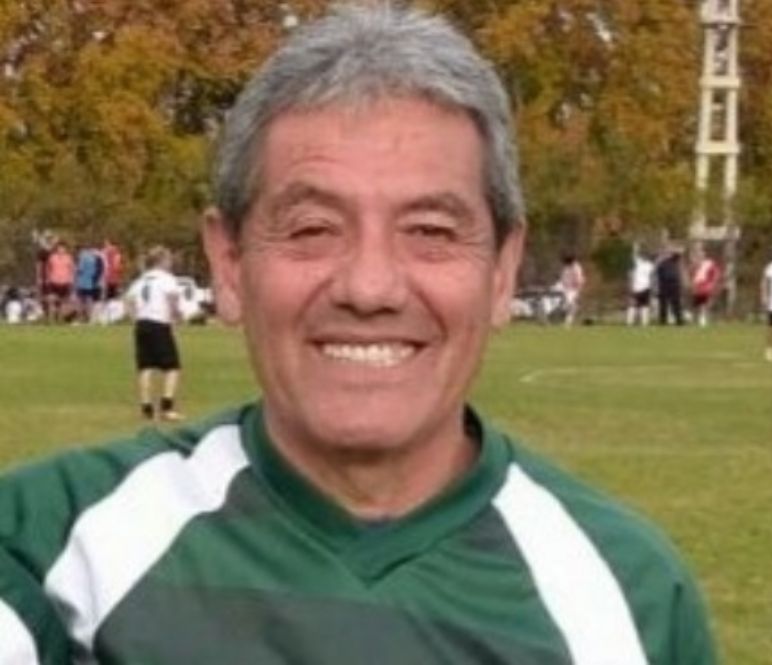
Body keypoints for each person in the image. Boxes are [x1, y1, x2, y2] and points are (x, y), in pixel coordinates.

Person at [0, 6, 717, 664]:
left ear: (501, 270)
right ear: (229, 263)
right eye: (313, 229)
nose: (370, 288)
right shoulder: (46, 548)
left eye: (431, 231)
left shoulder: (629, 598)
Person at [124, 245, 185, 421]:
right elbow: (172, 298)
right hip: (159, 323)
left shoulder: (141, 280)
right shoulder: (166, 279)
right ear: (162, 261)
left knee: (145, 366)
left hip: (142, 324)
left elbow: (128, 300)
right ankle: (167, 407)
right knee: (172, 367)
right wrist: (176, 315)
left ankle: (146, 408)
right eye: (169, 259)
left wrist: (135, 317)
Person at [43, 240, 75, 324]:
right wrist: (47, 278)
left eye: (63, 248)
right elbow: (47, 268)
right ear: (57, 249)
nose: (61, 250)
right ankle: (50, 320)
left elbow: (72, 269)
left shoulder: (68, 258)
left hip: (65, 282)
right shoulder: (52, 257)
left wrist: (71, 279)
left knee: (62, 302)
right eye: (59, 248)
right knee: (51, 300)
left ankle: (59, 319)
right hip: (53, 281)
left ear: (65, 249)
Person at [690, 245, 721, 328]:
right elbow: (692, 274)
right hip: (697, 287)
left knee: (704, 304)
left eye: (701, 253)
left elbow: (716, 273)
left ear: (704, 254)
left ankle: (703, 320)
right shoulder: (694, 263)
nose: (699, 255)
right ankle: (697, 320)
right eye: (698, 253)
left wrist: (712, 283)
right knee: (696, 305)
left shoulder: (709, 263)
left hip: (705, 287)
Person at [74, 243, 105, 323]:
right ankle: (89, 318)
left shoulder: (83, 256)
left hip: (82, 282)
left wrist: (75, 271)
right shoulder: (95, 257)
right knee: (89, 300)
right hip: (91, 282)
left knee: (80, 301)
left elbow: (80, 269)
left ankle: (80, 318)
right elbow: (99, 270)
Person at [656, 243, 685, 325]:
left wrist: (672, 249)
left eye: (667, 252)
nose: (666, 254)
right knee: (663, 304)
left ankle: (679, 320)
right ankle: (663, 321)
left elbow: (680, 252)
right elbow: (657, 273)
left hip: (674, 284)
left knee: (676, 303)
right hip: (664, 285)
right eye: (665, 252)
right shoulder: (660, 262)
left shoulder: (674, 259)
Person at [556, 252, 586, 327]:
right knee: (568, 304)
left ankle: (567, 321)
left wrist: (578, 290)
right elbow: (563, 277)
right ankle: (566, 317)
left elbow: (579, 280)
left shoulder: (576, 268)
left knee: (569, 304)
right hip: (564, 287)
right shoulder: (566, 267)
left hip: (571, 289)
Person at [626, 248, 655, 326]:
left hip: (644, 287)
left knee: (643, 305)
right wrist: (636, 247)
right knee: (634, 305)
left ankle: (643, 322)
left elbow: (651, 276)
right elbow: (634, 255)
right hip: (638, 287)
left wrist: (635, 247)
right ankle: (631, 322)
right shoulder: (642, 263)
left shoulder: (647, 265)